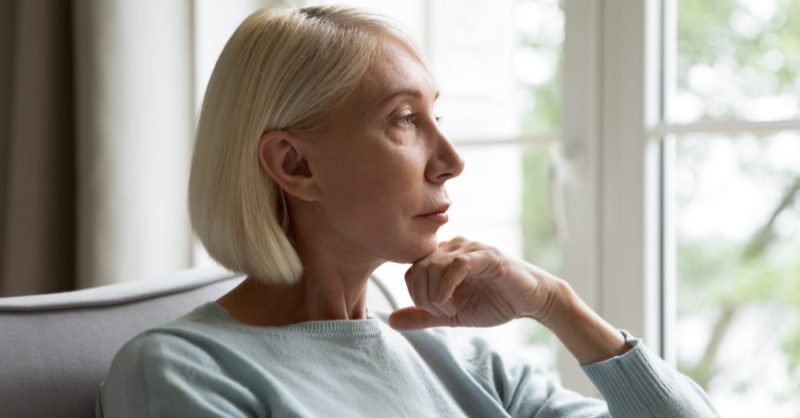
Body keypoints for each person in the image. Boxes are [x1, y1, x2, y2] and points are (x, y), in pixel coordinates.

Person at [101, 5, 719, 417]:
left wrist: (556, 305)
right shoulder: (183, 371)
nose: (450, 159)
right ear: (295, 165)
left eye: (436, 117)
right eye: (403, 119)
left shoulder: (458, 358)